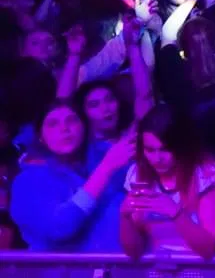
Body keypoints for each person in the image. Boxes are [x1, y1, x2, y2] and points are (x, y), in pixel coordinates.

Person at [11, 99, 134, 252]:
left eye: (72, 120)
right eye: (53, 124)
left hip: (118, 265)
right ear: (41, 137)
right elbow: (59, 228)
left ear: (84, 128)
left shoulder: (111, 165)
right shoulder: (27, 181)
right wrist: (106, 167)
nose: (64, 129)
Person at [119, 104, 215, 258]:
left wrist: (175, 213)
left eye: (165, 149)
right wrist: (125, 217)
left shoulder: (206, 174)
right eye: (149, 150)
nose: (157, 158)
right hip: (156, 266)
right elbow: (134, 252)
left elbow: (209, 249)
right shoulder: (137, 174)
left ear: (182, 146)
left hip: (199, 266)